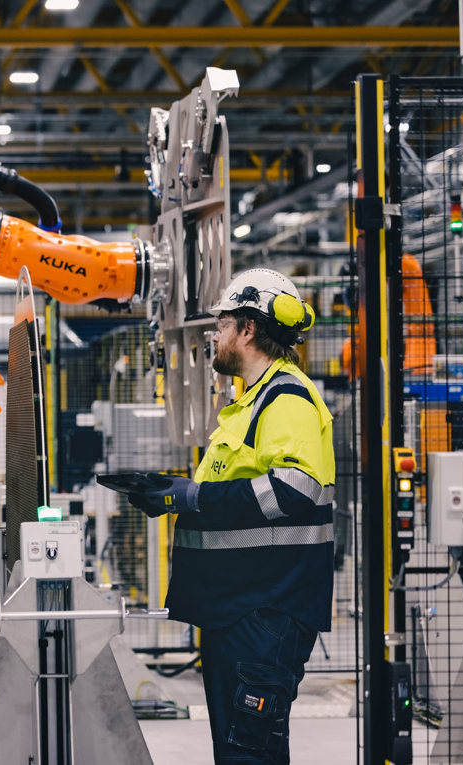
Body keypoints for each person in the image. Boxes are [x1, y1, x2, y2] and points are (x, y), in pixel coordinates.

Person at [127, 268, 335, 764]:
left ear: (248, 329)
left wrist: (190, 498)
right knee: (237, 751)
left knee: (250, 753)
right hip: (238, 610)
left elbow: (294, 490)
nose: (215, 336)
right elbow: (227, 495)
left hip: (266, 612)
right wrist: (173, 494)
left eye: (221, 324)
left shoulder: (287, 398)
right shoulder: (249, 404)